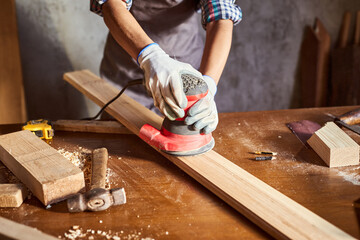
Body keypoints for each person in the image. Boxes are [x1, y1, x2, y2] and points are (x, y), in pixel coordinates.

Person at [90, 0, 242, 134]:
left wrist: (209, 84)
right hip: (126, 67)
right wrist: (150, 56)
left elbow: (220, 16)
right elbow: (111, 3)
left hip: (184, 61)